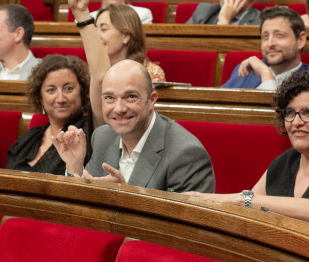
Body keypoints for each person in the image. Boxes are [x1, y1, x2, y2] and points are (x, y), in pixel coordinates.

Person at [190, 70, 309, 235]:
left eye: (308, 112)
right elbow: (246, 214)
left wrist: (240, 199)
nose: (296, 122)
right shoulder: (285, 161)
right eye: (289, 113)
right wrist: (204, 202)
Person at [53, 58, 213, 192]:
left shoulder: (186, 154)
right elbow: (86, 207)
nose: (119, 108)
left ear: (151, 100)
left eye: (130, 96)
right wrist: (75, 167)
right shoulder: (103, 136)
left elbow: (184, 228)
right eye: (109, 97)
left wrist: (125, 199)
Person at [6, 54, 94, 175]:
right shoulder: (28, 139)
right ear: (40, 98)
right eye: (51, 90)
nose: (61, 98)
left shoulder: (90, 130)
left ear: (82, 92)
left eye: (68, 88)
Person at [222, 5, 309, 90]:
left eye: (279, 35)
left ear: (300, 40)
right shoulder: (245, 70)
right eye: (265, 36)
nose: (270, 43)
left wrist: (266, 75)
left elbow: (278, 111)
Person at [93, 4, 165, 83]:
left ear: (126, 35)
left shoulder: (149, 73)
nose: (96, 35)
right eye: (95, 29)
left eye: (104, 29)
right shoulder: (91, 70)